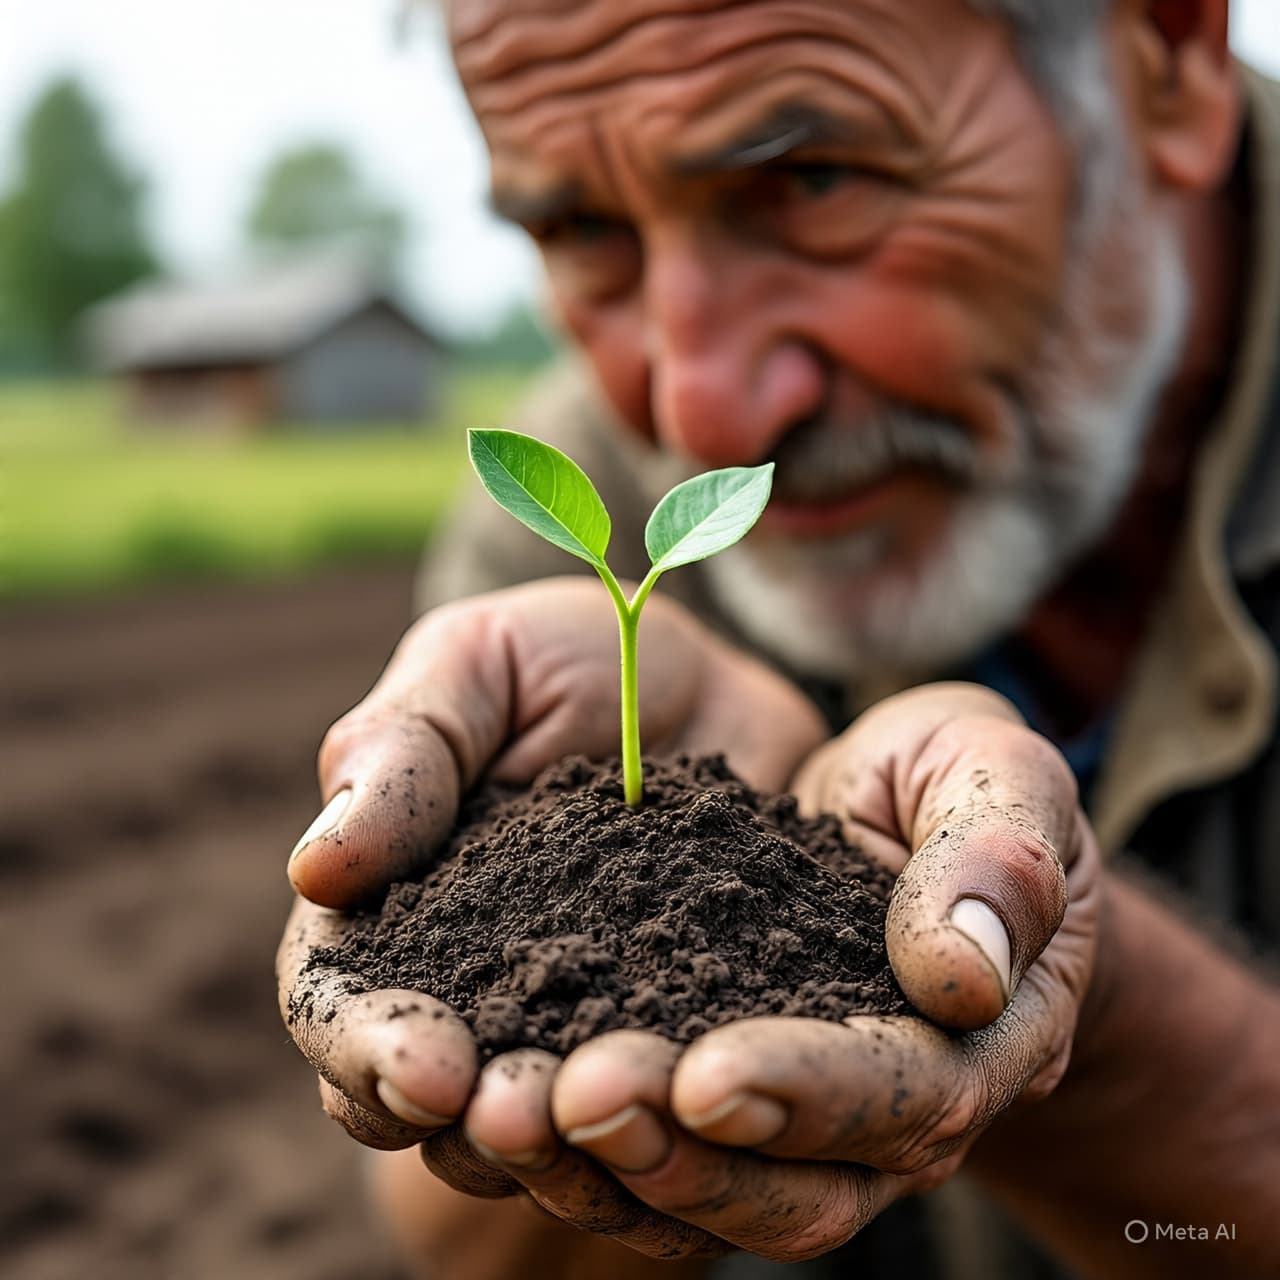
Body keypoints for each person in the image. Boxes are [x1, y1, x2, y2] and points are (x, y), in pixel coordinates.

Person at [277, 1, 1280, 1275]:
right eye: (581, 232)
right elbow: (464, 1246)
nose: (698, 415)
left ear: (1166, 51)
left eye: (813, 182)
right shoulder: (583, 518)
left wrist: (1090, 1007)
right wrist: (491, 988)